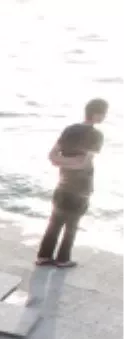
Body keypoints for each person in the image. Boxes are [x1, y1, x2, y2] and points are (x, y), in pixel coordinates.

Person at [37, 98, 108, 268]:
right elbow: (83, 163)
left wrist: (60, 161)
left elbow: (52, 156)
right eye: (104, 113)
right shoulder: (96, 135)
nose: (105, 116)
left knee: (54, 223)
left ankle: (44, 257)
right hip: (81, 189)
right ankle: (63, 259)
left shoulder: (69, 130)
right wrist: (75, 160)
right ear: (96, 114)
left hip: (62, 185)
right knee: (71, 226)